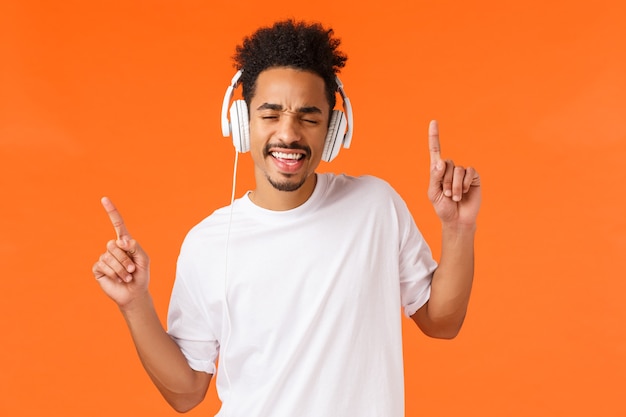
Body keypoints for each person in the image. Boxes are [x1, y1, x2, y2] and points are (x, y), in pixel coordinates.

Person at [92, 19, 481, 417]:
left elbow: (441, 323)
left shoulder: (375, 206)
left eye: (308, 118)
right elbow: (186, 393)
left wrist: (457, 228)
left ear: (333, 130)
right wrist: (135, 303)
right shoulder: (207, 244)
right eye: (270, 114)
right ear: (242, 124)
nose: (289, 133)